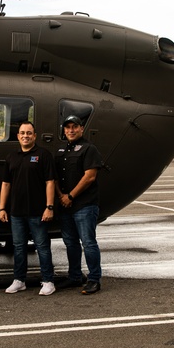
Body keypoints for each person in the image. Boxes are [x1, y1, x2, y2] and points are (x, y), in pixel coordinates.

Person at [0, 121, 56, 296]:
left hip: (38, 211)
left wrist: (49, 207)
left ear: (35, 136)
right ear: (18, 136)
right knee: (18, 247)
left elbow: (50, 182)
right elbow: (6, 184)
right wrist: (2, 208)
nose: (25, 136)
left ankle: (48, 281)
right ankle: (19, 280)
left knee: (42, 246)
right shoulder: (11, 157)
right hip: (16, 212)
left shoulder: (43, 155)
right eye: (22, 133)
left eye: (29, 133)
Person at [55, 115, 105, 295]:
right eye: (67, 127)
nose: (70, 130)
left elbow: (90, 177)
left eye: (74, 127)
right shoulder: (61, 150)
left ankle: (94, 279)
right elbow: (54, 176)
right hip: (65, 205)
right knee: (70, 243)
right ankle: (75, 276)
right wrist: (61, 196)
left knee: (88, 242)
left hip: (84, 204)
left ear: (81, 129)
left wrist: (70, 196)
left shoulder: (89, 149)